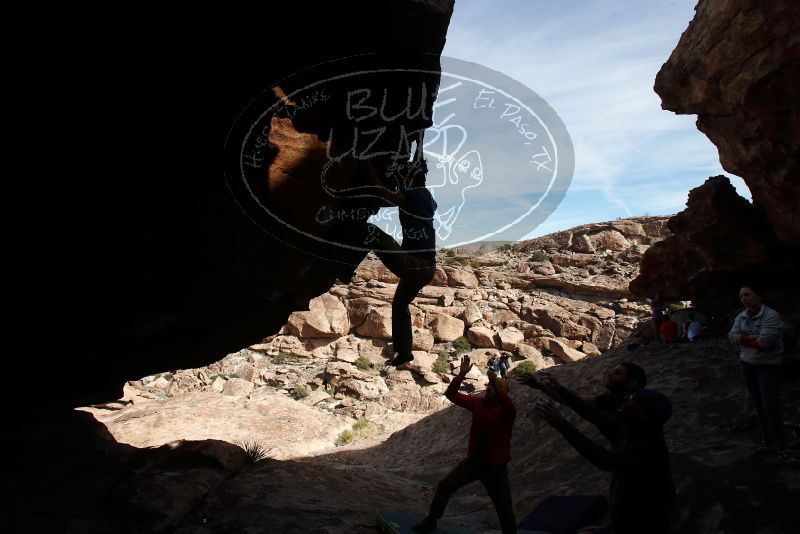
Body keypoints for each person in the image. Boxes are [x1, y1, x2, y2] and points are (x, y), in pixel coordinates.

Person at [529, 374, 675, 534]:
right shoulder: (632, 428)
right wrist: (560, 389)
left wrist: (561, 424)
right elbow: (592, 413)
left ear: (646, 414)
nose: (627, 398)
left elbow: (603, 459)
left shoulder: (648, 449)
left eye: (634, 398)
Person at [413, 355, 517, 533]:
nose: (488, 390)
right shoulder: (478, 404)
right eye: (488, 387)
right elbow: (451, 395)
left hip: (495, 467)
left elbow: (509, 406)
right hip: (474, 462)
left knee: (504, 506)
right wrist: (461, 375)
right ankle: (431, 520)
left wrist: (496, 384)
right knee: (445, 485)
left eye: (492, 388)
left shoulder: (505, 412)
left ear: (501, 392)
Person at [358, 158, 438, 366]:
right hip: (425, 266)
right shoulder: (426, 196)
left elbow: (386, 196)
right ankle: (404, 352)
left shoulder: (415, 194)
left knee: (371, 232)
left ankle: (337, 267)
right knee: (400, 304)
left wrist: (367, 167)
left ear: (410, 177)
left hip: (416, 264)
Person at [728, 285, 798, 466]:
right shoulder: (741, 316)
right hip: (748, 366)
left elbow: (764, 342)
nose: (744, 298)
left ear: (759, 296)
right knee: (758, 405)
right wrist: (751, 338)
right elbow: (731, 336)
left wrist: (744, 337)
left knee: (771, 407)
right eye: (742, 295)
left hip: (768, 367)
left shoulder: (771, 315)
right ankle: (768, 442)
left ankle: (783, 448)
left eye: (748, 295)